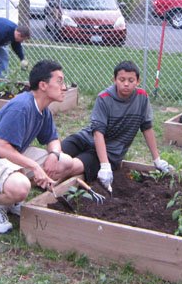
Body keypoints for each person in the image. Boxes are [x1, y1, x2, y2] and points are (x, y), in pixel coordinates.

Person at [0, 60, 75, 234]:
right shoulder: (22, 106)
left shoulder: (43, 109)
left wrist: (53, 155)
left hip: (7, 158)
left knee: (64, 162)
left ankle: (10, 200)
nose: (65, 87)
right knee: (21, 186)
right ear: (43, 85)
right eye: (60, 81)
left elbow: (53, 139)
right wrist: (34, 166)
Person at [57, 61, 172, 192]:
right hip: (85, 138)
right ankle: (45, 178)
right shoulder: (104, 98)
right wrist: (105, 166)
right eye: (121, 79)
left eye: (131, 80)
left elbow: (147, 127)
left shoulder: (142, 98)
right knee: (54, 156)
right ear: (114, 80)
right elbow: (98, 132)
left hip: (109, 152)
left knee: (71, 166)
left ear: (138, 81)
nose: (126, 84)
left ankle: (51, 182)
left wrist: (157, 159)